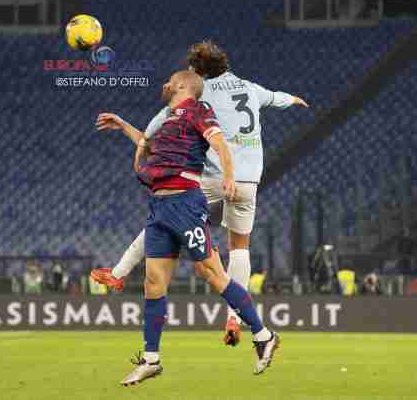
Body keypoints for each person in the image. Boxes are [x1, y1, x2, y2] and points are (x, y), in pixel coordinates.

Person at [91, 40, 308, 346]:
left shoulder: (198, 97)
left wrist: (128, 128)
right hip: (248, 182)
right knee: (240, 247)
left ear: (196, 71)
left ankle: (118, 272)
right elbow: (277, 98)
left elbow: (150, 135)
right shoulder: (250, 88)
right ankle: (234, 317)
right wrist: (295, 99)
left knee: (165, 212)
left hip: (214, 177)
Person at [105, 70, 278, 386]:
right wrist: (123, 125)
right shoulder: (170, 121)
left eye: (169, 80)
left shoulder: (198, 109)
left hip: (185, 203)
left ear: (182, 85)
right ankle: (151, 359)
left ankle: (263, 335)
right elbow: (149, 148)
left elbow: (219, 143)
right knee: (153, 282)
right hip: (159, 206)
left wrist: (229, 176)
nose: (164, 84)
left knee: (212, 273)